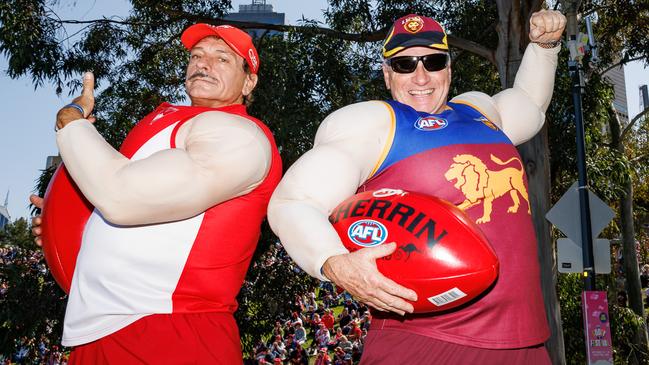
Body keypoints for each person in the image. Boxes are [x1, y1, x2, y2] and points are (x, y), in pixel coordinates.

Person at [268, 11, 565, 364]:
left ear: (449, 68)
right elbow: (293, 201)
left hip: (525, 342)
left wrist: (545, 45)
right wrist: (333, 262)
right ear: (387, 73)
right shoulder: (374, 124)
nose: (421, 77)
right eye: (405, 64)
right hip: (427, 341)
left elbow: (530, 102)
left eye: (433, 61)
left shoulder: (479, 111)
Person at [31, 23, 282, 364]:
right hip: (96, 331)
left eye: (222, 59)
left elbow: (120, 197)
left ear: (249, 81)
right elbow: (129, 206)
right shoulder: (166, 120)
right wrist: (65, 222)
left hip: (171, 330)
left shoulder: (240, 136)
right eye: (197, 55)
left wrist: (70, 120)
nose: (204, 64)